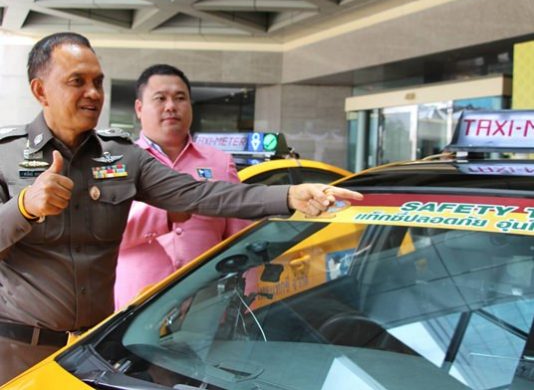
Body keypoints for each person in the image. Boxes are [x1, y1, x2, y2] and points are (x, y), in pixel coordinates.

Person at [0, 32, 362, 383]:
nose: (93, 93)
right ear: (40, 90)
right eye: (77, 81)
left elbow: (200, 194)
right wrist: (25, 207)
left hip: (95, 350)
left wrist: (288, 196)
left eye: (98, 82)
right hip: (18, 349)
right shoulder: (5, 155)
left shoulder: (122, 156)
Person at [114, 64, 249, 309]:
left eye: (179, 98)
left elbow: (240, 239)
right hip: (136, 308)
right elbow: (104, 235)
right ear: (139, 108)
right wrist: (163, 215)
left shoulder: (219, 162)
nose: (171, 106)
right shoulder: (118, 161)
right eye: (160, 98)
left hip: (205, 306)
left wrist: (246, 302)